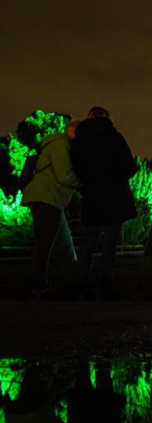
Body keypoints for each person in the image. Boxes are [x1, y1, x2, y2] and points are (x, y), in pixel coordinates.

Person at [71, 107, 138, 299]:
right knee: (110, 244)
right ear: (108, 118)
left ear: (88, 118)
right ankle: (105, 286)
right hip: (115, 196)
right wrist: (117, 178)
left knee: (88, 243)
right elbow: (130, 166)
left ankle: (82, 286)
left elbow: (76, 168)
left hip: (92, 195)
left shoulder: (79, 142)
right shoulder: (115, 138)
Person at [21, 118, 82, 298]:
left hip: (43, 196)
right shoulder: (61, 146)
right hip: (47, 197)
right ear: (72, 131)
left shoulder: (54, 144)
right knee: (44, 244)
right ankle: (39, 285)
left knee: (44, 243)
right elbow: (65, 175)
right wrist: (84, 183)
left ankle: (39, 282)